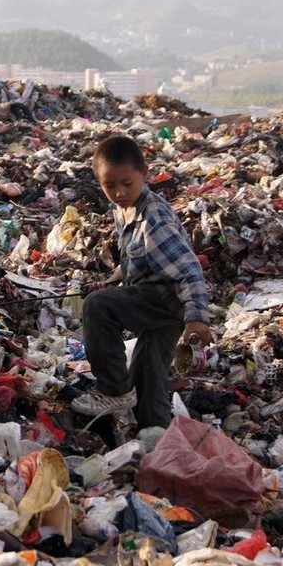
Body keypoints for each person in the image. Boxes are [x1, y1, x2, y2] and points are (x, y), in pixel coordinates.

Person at [72, 134, 213, 430]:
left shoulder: (154, 221)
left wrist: (197, 319)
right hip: (159, 298)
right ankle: (156, 438)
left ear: (144, 175)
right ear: (99, 182)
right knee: (148, 373)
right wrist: (113, 279)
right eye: (110, 186)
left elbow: (188, 269)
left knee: (97, 307)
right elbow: (141, 258)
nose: (120, 192)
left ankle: (113, 390)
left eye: (127, 184)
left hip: (169, 298)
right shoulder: (124, 210)